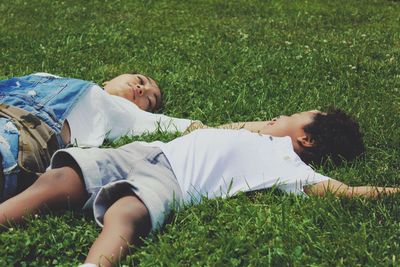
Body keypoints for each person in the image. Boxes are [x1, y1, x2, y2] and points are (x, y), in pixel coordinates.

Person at [0, 109, 398, 267]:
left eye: (292, 116)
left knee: (127, 213)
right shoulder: (256, 135)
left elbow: (344, 190)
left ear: (307, 141)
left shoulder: (286, 164)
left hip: (174, 178)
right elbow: (221, 130)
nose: (278, 116)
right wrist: (264, 125)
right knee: (62, 178)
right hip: (149, 150)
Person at [0, 72, 197, 201]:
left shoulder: (124, 112)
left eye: (150, 99)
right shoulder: (49, 77)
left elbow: (181, 125)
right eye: (140, 80)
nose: (142, 89)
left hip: (23, 131)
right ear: (108, 81)